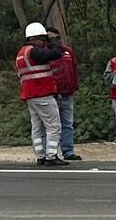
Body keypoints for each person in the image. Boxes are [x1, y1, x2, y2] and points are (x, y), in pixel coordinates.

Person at [16, 23, 68, 167]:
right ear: (35, 39)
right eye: (43, 39)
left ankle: (40, 155)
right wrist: (54, 41)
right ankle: (51, 155)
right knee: (53, 126)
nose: (44, 43)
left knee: (37, 127)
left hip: (31, 95)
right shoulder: (34, 52)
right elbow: (56, 54)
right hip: (41, 93)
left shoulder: (21, 53)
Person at [48, 27, 82, 161]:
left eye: (55, 37)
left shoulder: (67, 51)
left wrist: (74, 86)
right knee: (52, 126)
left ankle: (68, 151)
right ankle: (50, 152)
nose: (53, 41)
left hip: (67, 93)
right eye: (50, 38)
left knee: (67, 124)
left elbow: (74, 68)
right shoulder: (45, 53)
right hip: (52, 94)